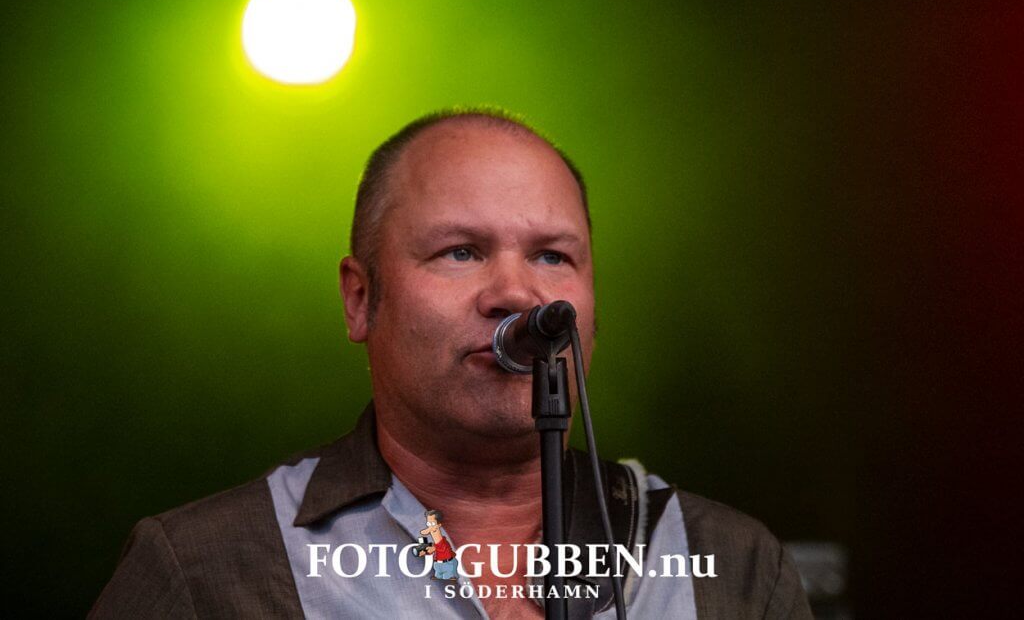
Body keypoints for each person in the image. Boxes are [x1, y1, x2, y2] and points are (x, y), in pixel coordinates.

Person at [91, 108, 812, 619]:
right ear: (360, 299)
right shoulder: (206, 571)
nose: (516, 294)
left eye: (552, 256)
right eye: (460, 252)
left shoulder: (732, 566)